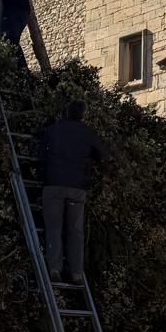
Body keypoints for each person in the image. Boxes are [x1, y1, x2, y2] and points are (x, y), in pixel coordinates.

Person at [38, 101, 108, 284]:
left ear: (66, 112)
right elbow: (103, 154)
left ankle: (54, 268)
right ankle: (76, 272)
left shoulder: (54, 129)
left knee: (54, 228)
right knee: (75, 231)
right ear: (82, 115)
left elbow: (40, 154)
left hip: (53, 185)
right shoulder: (87, 132)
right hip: (77, 188)